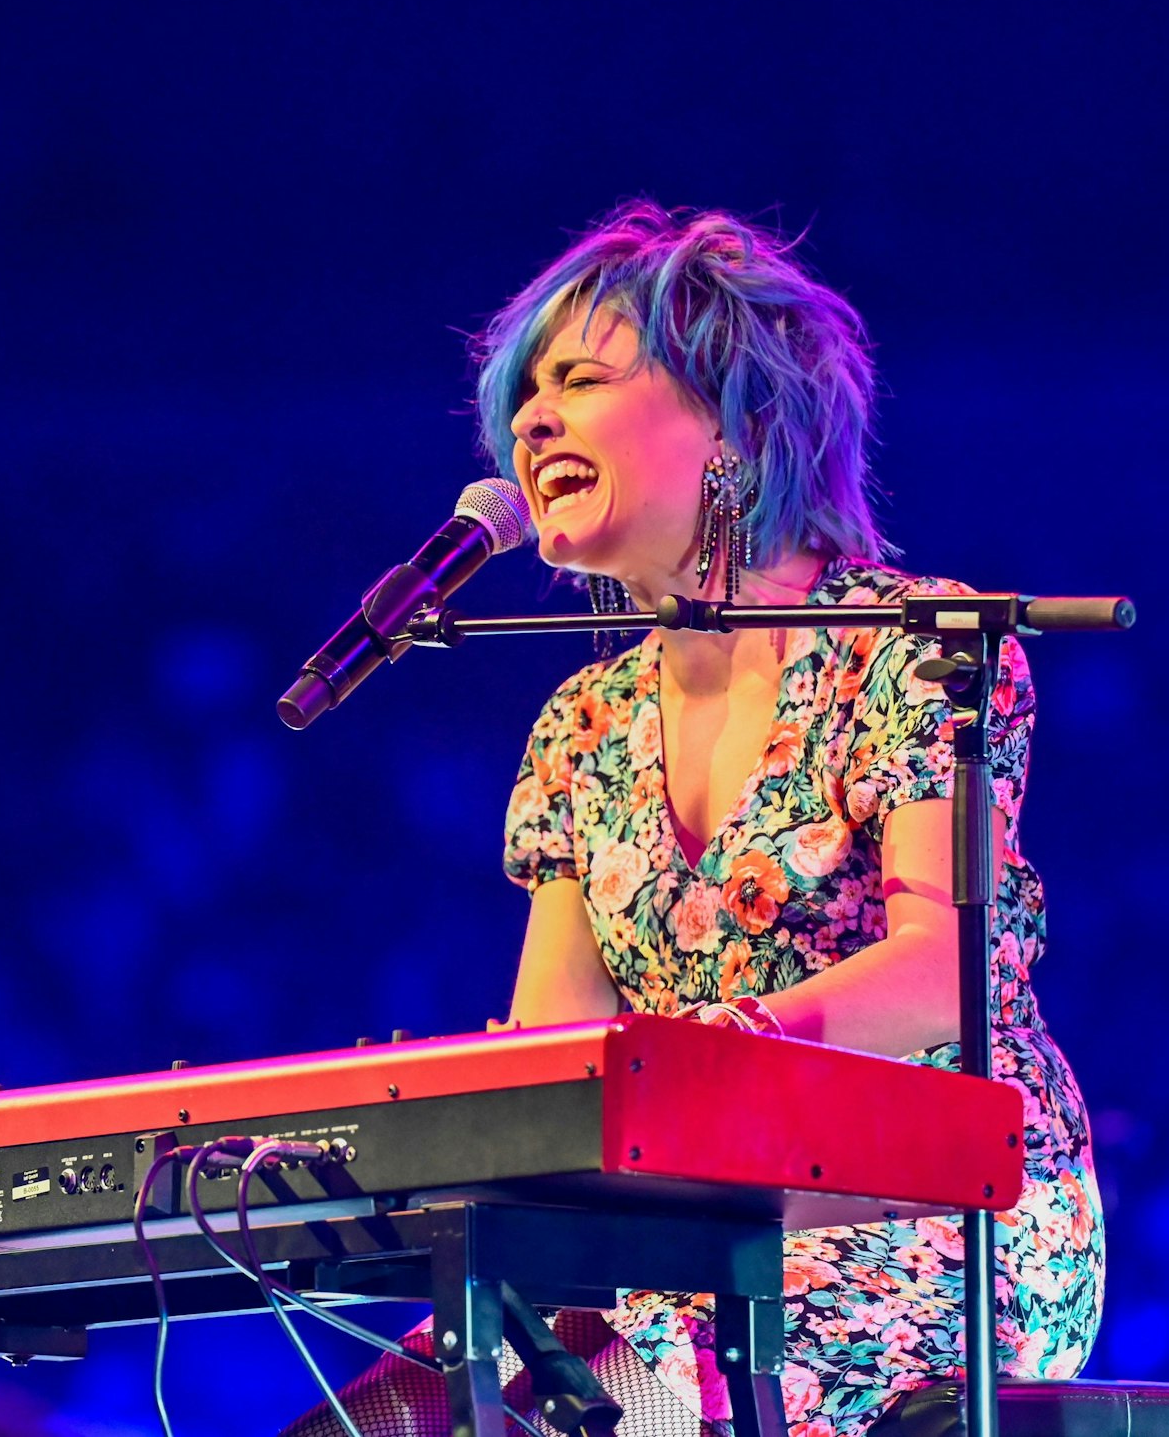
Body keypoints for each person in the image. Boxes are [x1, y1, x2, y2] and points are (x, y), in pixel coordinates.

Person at [285, 202, 1104, 1436]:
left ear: (737, 417)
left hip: (921, 1214)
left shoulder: (914, 649)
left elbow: (949, 971)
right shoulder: (579, 723)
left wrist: (704, 1063)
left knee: (617, 1405)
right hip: (678, 1223)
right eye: (523, 396)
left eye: (580, 377)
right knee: (390, 1417)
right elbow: (558, 1038)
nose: (530, 418)